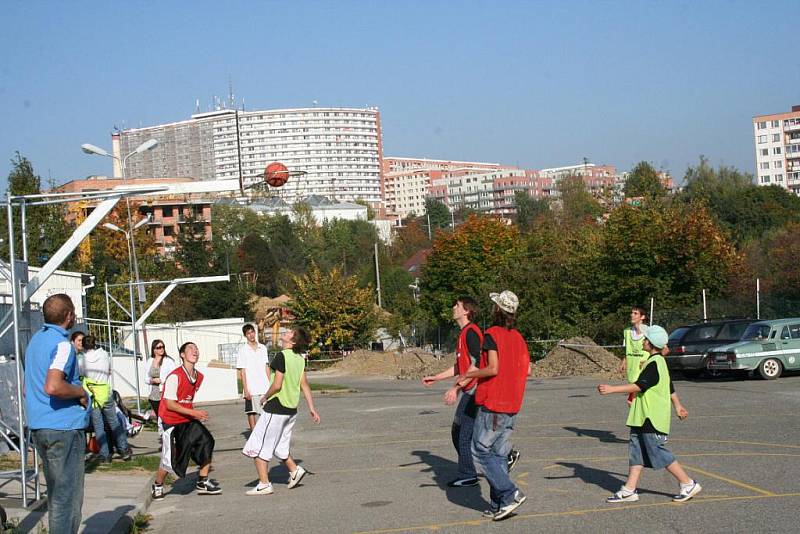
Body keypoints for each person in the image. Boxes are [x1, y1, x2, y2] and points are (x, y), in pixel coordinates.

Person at [422, 297, 522, 487]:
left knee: (466, 433)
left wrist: (456, 387)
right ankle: (499, 457)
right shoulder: (464, 333)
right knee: (463, 431)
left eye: (457, 305)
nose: (453, 307)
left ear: (466, 311)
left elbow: (477, 363)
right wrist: (437, 377)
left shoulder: (472, 333)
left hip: (476, 391)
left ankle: (471, 473)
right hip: (470, 389)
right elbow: (462, 366)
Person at [598, 325, 701, 503]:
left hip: (651, 417)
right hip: (640, 416)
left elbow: (640, 385)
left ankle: (688, 483)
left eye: (646, 339)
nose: (643, 342)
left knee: (657, 451)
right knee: (636, 453)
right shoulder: (654, 362)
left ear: (652, 343)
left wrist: (612, 389)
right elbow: (668, 387)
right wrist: (678, 406)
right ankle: (629, 489)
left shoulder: (655, 363)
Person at [456, 291, 531, 521]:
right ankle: (499, 503)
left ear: (497, 309)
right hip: (512, 402)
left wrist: (470, 375)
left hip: (494, 401)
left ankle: (510, 493)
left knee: (480, 449)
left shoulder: (491, 334)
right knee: (498, 454)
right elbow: (527, 369)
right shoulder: (518, 337)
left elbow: (493, 368)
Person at [24, 294, 90, 534]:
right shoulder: (62, 345)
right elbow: (53, 386)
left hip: (40, 426)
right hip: (63, 428)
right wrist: (80, 392)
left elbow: (26, 387)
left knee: (55, 493)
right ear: (69, 315)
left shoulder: (35, 342)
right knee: (67, 498)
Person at [242, 326, 320, 495]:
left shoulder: (281, 356)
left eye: (290, 332)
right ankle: (294, 470)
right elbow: (304, 385)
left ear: (293, 341)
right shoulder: (299, 359)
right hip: (291, 410)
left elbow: (277, 385)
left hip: (276, 408)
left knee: (259, 444)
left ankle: (264, 484)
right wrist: (312, 408)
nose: (286, 332)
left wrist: (264, 397)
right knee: (279, 445)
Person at [152, 342, 222, 500]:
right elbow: (170, 404)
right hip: (169, 420)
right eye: (190, 348)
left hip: (186, 418)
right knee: (170, 458)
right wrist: (194, 412)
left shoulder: (199, 377)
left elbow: (185, 400)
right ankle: (157, 484)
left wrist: (192, 413)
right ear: (182, 355)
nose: (195, 351)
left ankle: (202, 481)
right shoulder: (174, 376)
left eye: (196, 348)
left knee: (207, 441)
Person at [80, 334, 132, 462]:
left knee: (98, 426)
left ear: (84, 346)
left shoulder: (82, 360)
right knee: (114, 422)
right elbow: (108, 369)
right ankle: (124, 450)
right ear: (95, 343)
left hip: (93, 394)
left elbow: (81, 374)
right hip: (106, 391)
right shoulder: (103, 354)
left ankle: (105, 454)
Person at [235, 324, 270, 431]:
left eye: (252, 332)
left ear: (255, 332)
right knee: (251, 412)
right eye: (248, 333)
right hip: (252, 388)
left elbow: (266, 366)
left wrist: (270, 384)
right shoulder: (243, 350)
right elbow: (243, 371)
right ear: (245, 335)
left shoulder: (263, 348)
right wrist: (246, 390)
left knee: (267, 414)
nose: (251, 335)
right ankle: (253, 438)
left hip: (264, 387)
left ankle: (266, 437)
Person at [620, 307, 649, 404]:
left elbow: (664, 350)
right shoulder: (627, 332)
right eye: (632, 313)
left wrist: (649, 361)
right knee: (634, 403)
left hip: (644, 372)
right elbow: (627, 348)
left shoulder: (649, 332)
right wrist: (624, 360)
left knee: (633, 402)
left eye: (635, 313)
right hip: (632, 370)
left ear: (642, 317)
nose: (632, 315)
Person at [146, 339, 176, 420]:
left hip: (164, 393)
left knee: (166, 416)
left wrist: (161, 380)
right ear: (154, 349)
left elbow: (174, 377)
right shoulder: (150, 361)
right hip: (153, 394)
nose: (161, 349)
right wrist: (151, 381)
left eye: (163, 347)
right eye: (159, 347)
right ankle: (162, 431)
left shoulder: (169, 361)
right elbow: (146, 378)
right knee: (159, 417)